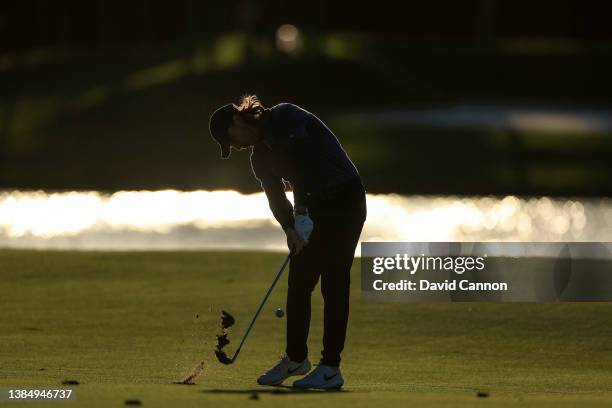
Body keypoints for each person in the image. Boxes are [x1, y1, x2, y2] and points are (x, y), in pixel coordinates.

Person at [209, 95, 367, 390]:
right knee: (299, 284)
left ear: (236, 122)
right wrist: (290, 229)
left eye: (232, 140)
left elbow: (303, 165)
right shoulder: (259, 158)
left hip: (345, 200)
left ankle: (331, 368)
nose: (237, 147)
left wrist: (303, 213)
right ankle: (296, 359)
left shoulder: (286, 115)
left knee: (333, 283)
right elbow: (275, 196)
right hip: (312, 208)